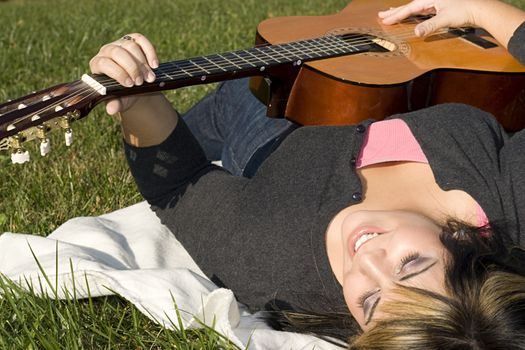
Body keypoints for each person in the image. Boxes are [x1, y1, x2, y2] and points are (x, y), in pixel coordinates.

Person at [89, 0, 525, 348]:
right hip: (383, 81)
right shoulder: (510, 195)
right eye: (410, 265)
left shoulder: (274, 260)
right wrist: (482, 11)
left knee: (244, 92)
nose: (368, 260)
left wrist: (138, 100)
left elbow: (178, 184)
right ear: (470, 247)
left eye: (370, 302)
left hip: (266, 131)